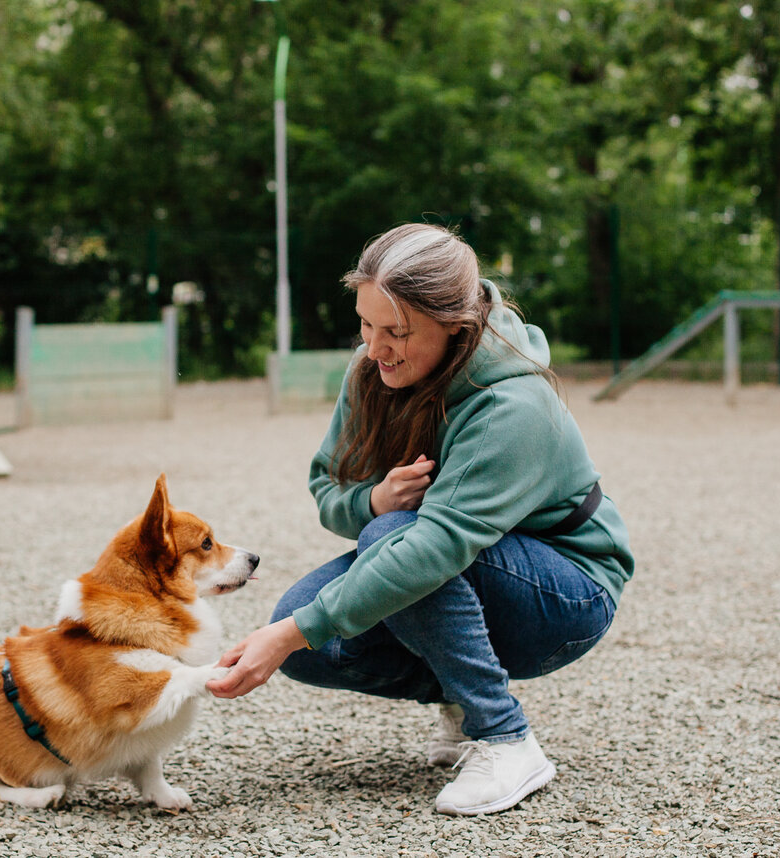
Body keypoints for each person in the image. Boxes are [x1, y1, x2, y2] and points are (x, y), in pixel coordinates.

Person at [206, 223, 634, 816]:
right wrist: (372, 502)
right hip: (461, 565)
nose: (375, 347)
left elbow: (431, 549)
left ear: (455, 325)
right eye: (365, 323)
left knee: (358, 577)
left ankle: (506, 738)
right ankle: (464, 700)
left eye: (397, 332)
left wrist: (284, 636)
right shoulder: (372, 370)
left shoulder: (510, 405)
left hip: (567, 595)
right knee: (311, 642)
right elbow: (327, 485)